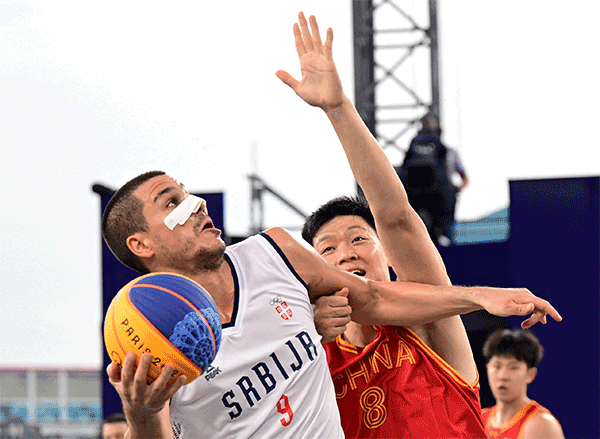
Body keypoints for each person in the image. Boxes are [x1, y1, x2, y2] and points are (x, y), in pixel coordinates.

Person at [102, 13, 561, 439]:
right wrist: (141, 417)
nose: (345, 253)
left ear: (385, 254)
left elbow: (396, 221)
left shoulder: (427, 326)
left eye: (359, 239)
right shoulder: (301, 346)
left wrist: (338, 107)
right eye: (328, 249)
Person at [481, 329, 564, 438]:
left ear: (530, 374)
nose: (503, 376)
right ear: (487, 369)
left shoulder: (542, 424)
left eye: (513, 367)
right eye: (497, 366)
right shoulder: (479, 419)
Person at [400, 114, 467, 245]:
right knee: (445, 232)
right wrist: (455, 190)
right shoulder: (448, 151)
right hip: (440, 200)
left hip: (415, 199)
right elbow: (464, 178)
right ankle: (446, 241)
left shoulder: (413, 147)